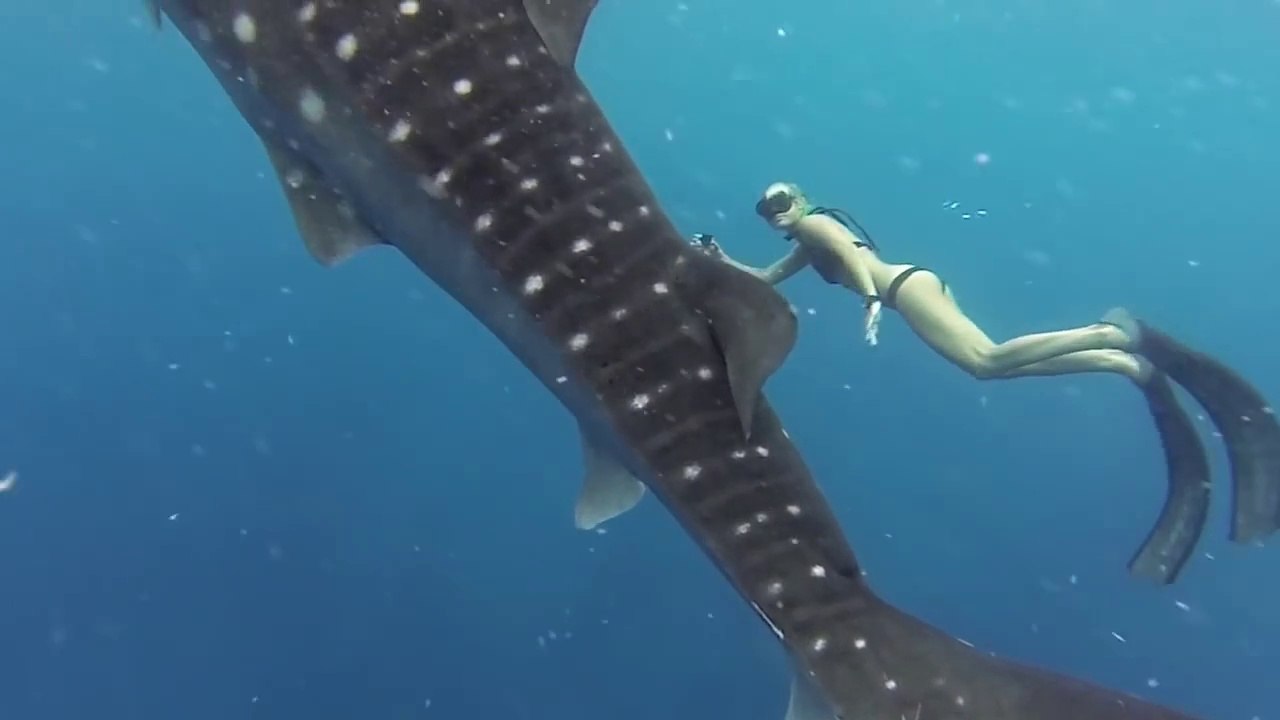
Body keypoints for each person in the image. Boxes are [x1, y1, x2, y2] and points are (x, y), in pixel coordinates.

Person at [690, 181, 1280, 586]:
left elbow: (852, 255)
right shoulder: (803, 244)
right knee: (987, 366)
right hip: (914, 285)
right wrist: (721, 260)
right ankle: (1119, 361)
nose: (778, 213)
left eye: (783, 201)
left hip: (899, 291)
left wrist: (870, 301)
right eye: (769, 211)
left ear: (802, 198)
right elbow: (765, 278)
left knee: (990, 360)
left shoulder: (818, 226)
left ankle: (1109, 334)